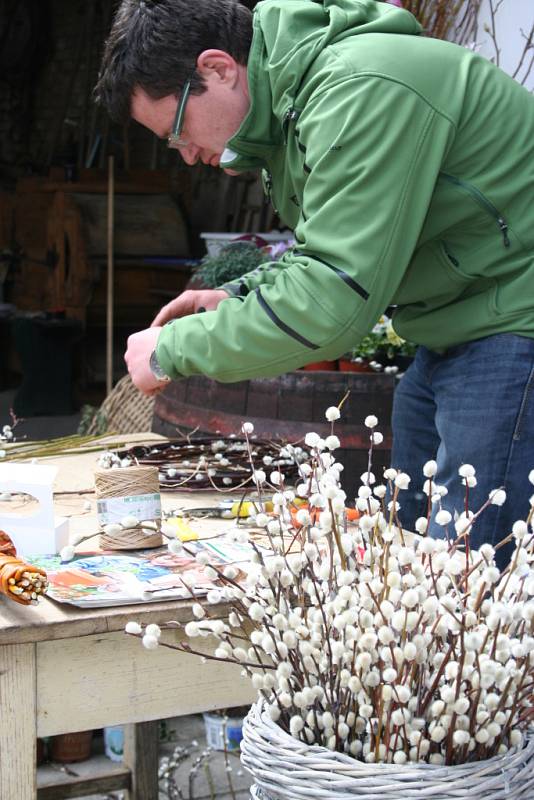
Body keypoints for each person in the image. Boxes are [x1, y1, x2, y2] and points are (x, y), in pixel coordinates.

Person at [95, 0, 534, 561]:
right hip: (458, 322)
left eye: (177, 130)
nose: (185, 154)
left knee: (470, 578)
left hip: (512, 319)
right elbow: (325, 249)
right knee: (412, 559)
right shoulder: (298, 108)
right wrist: (236, 294)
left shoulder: (360, 89)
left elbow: (333, 297)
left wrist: (171, 350)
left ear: (218, 68)